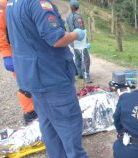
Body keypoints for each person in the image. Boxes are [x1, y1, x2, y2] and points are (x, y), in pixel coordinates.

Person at [6, 0, 88, 157]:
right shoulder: (38, 3)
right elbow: (56, 38)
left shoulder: (12, 3)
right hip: (51, 77)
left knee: (49, 125)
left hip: (33, 77)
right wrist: (76, 34)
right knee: (69, 126)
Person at [0, 0, 37, 125]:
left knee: (39, 80)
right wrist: (6, 54)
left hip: (33, 48)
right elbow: (0, 30)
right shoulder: (3, 4)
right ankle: (30, 115)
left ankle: (43, 112)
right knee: (25, 85)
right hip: (16, 50)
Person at [66, 0, 92, 83]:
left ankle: (80, 74)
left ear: (70, 7)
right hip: (80, 41)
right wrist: (86, 42)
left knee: (77, 57)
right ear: (78, 7)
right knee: (85, 59)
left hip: (72, 41)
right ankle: (86, 76)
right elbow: (81, 31)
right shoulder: (78, 17)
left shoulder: (68, 17)